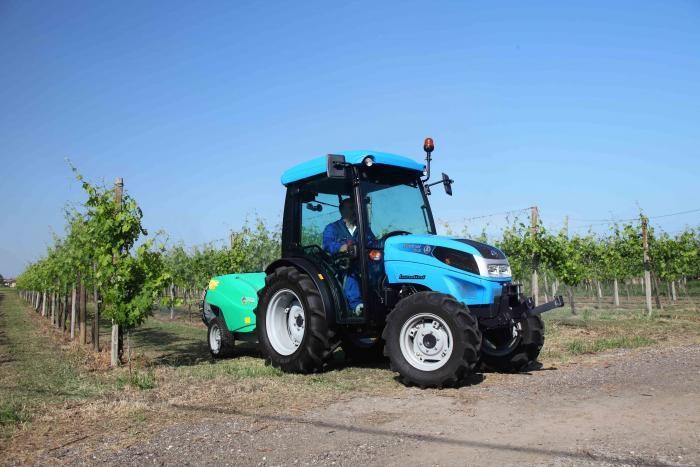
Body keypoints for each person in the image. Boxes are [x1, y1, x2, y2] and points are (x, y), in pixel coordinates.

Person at [322, 198, 376, 316]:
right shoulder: (332, 228)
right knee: (350, 271)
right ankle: (357, 305)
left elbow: (373, 243)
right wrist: (342, 247)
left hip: (364, 264)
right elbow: (327, 245)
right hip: (341, 265)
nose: (355, 211)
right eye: (351, 208)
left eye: (355, 208)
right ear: (342, 211)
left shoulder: (364, 229)